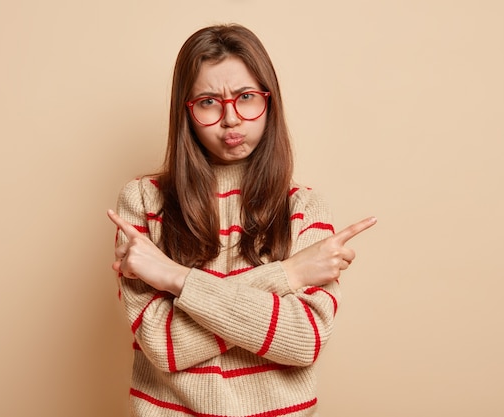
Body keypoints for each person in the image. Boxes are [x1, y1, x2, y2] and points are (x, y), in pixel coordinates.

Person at [107, 23, 376, 417]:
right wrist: (289, 275)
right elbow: (164, 345)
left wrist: (175, 278)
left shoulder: (306, 207)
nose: (231, 118)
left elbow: (303, 341)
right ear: (186, 110)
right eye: (208, 102)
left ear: (270, 101)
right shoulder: (142, 200)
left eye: (246, 97)